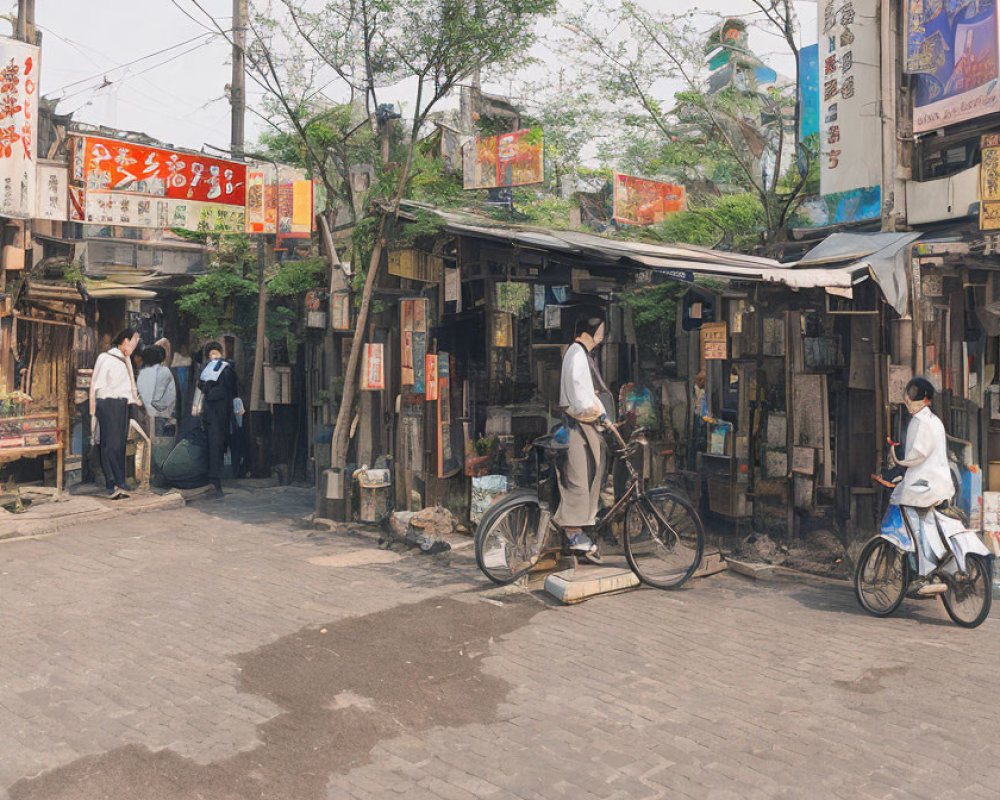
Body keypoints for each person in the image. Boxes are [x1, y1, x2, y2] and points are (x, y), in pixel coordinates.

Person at [889, 377, 955, 589]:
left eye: (910, 397)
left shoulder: (920, 422)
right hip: (939, 483)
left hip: (925, 485)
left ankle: (925, 573)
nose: (908, 401)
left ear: (923, 400)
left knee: (914, 522)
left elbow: (917, 455)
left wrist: (898, 462)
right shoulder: (934, 420)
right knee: (926, 521)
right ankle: (935, 564)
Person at [554, 315, 610, 562]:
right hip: (580, 424)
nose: (602, 334)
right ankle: (574, 535)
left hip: (582, 423)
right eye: (601, 329)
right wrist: (600, 415)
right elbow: (580, 399)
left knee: (587, 475)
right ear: (590, 330)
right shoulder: (577, 354)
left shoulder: (577, 353)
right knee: (579, 479)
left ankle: (581, 534)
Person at [89, 328, 142, 499]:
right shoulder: (106, 358)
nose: (134, 347)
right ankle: (111, 485)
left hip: (122, 405)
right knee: (110, 445)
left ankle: (120, 483)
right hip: (108, 403)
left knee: (119, 446)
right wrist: (94, 409)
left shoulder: (126, 360)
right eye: (134, 343)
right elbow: (96, 386)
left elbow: (129, 387)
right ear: (126, 341)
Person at [192, 342, 243, 497]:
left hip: (212, 413)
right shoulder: (226, 369)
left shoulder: (209, 369)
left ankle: (213, 480)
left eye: (215, 353)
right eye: (211, 354)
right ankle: (215, 482)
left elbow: (202, 387)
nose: (214, 357)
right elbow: (232, 390)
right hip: (219, 414)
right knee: (217, 446)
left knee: (214, 446)